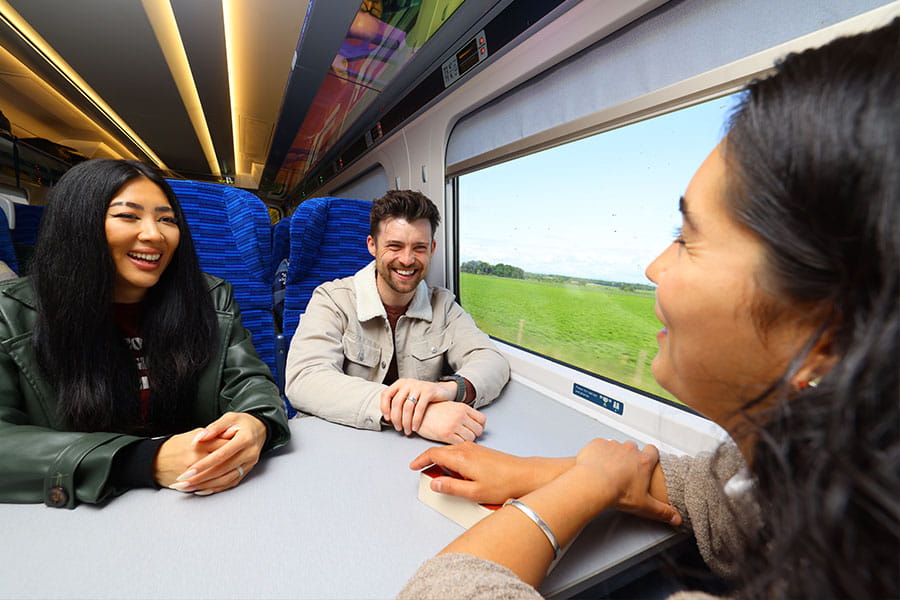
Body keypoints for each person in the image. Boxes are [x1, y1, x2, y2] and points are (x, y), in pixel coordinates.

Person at [399, 19, 899, 600]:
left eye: (687, 238)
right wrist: (540, 471)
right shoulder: (818, 479)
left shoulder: (446, 305)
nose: (654, 267)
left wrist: (574, 484)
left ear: (826, 333)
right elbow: (720, 494)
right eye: (394, 247)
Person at [0, 159, 291, 508]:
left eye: (167, 219)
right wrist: (142, 460)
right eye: (128, 216)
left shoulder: (211, 298)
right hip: (78, 510)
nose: (154, 234)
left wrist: (256, 422)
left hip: (200, 500)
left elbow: (250, 382)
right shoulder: (10, 314)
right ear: (78, 225)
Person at [285, 190, 509, 444]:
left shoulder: (443, 305)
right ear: (372, 245)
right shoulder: (332, 299)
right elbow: (305, 379)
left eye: (419, 248)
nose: (407, 259)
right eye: (395, 246)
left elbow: (491, 361)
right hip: (338, 439)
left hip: (408, 447)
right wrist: (417, 413)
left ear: (432, 249)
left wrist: (445, 389)